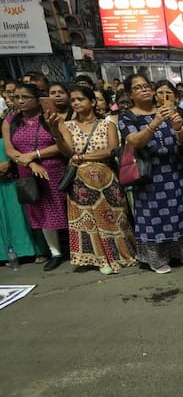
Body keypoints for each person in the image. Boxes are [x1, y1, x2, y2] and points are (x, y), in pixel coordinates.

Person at [49, 86, 137, 274]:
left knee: (115, 219)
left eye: (80, 99)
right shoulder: (68, 126)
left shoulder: (108, 124)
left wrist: (82, 157)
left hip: (107, 181)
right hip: (80, 182)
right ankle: (99, 259)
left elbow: (111, 150)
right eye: (73, 100)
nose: (75, 103)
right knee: (88, 221)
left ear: (93, 102)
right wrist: (54, 131)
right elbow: (67, 152)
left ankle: (121, 254)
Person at [118, 74, 183, 274]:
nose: (144, 90)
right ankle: (157, 259)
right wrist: (155, 122)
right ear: (130, 94)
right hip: (149, 176)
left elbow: (181, 141)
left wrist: (179, 128)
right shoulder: (127, 116)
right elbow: (135, 141)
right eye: (138, 88)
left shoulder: (166, 110)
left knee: (180, 212)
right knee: (153, 216)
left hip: (174, 171)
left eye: (146, 86)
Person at [2, 83, 68, 271]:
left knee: (64, 207)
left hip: (55, 170)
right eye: (16, 97)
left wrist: (35, 154)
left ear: (37, 99)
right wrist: (30, 162)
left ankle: (75, 247)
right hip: (28, 172)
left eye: (25, 97)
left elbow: (62, 146)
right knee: (42, 211)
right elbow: (10, 150)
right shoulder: (10, 121)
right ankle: (55, 252)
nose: (20, 101)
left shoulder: (50, 118)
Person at [0, 94, 47, 267]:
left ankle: (34, 250)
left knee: (22, 213)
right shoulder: (11, 122)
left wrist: (11, 162)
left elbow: (15, 148)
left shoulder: (11, 123)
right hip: (14, 167)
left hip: (16, 171)